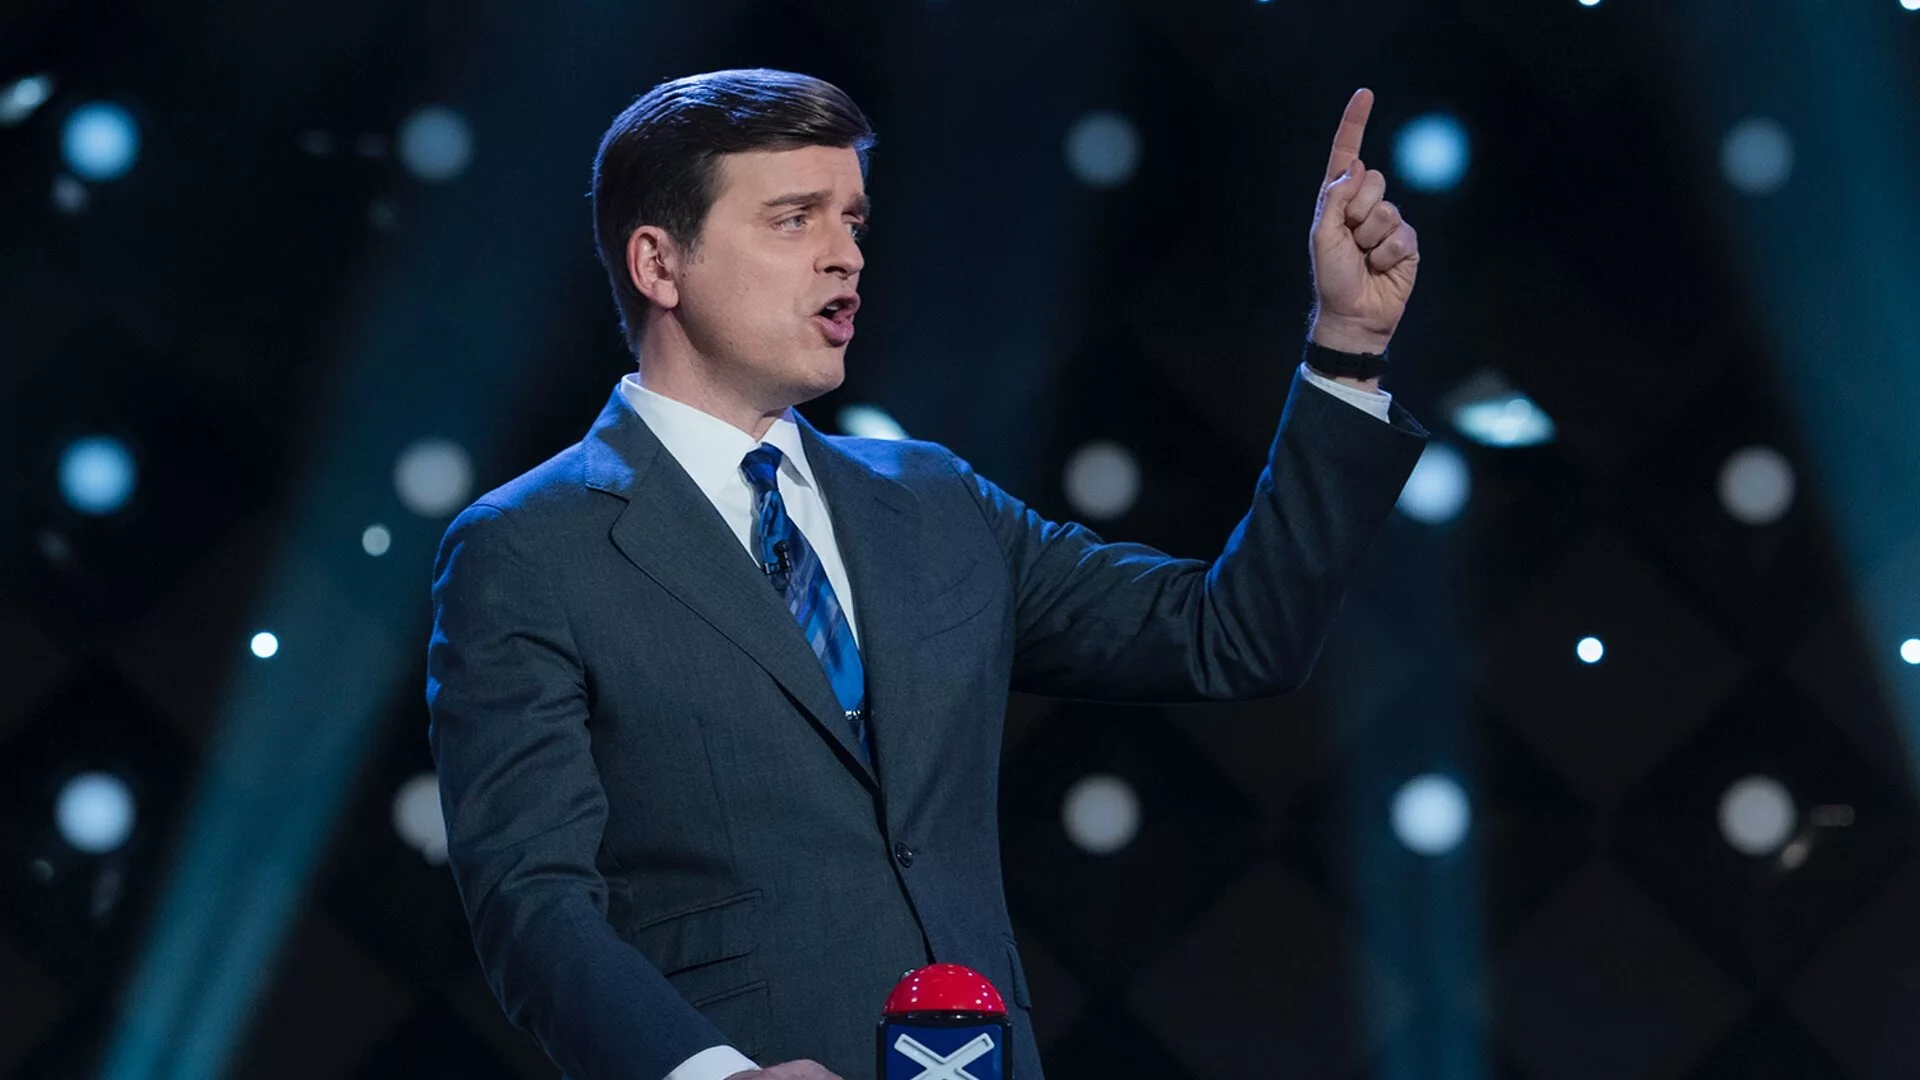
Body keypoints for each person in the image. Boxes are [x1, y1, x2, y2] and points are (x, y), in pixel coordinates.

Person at [427, 68, 1427, 1080]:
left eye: (853, 220)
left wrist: (1346, 351)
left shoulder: (933, 500)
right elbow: (532, 901)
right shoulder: (528, 548)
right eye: (794, 219)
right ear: (658, 262)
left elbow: (1233, 635)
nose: (846, 255)